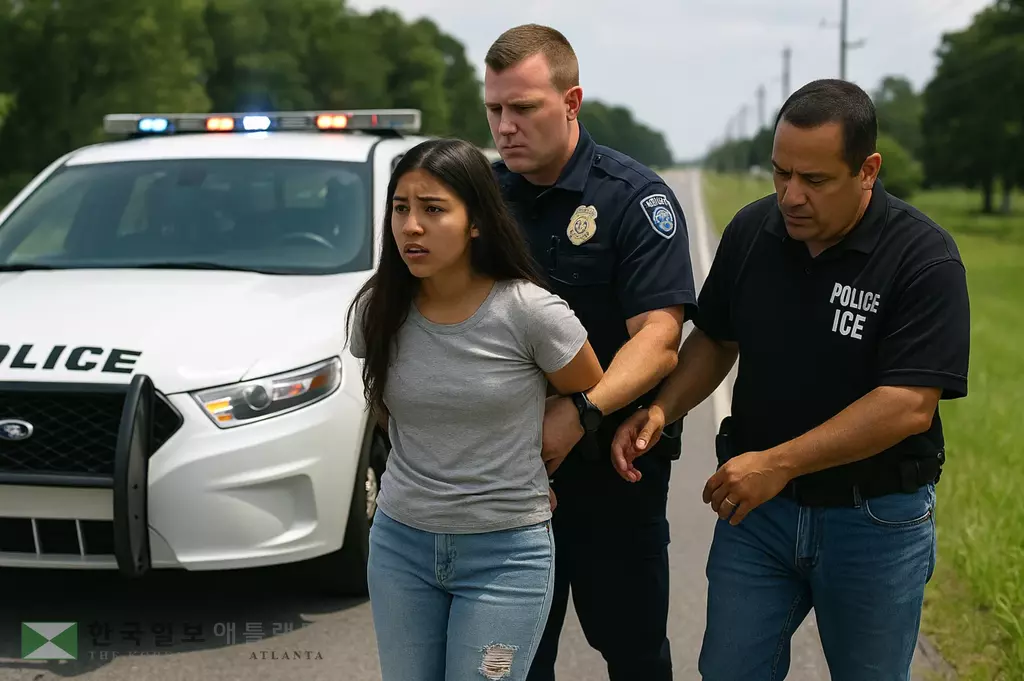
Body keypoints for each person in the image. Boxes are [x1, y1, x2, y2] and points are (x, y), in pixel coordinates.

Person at [612, 78, 971, 680]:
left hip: (874, 519)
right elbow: (718, 338)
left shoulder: (922, 258)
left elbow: (908, 404)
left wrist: (778, 463)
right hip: (759, 519)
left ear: (868, 169)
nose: (791, 195)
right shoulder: (754, 232)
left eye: (815, 179)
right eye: (781, 174)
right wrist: (663, 408)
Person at [483, 24, 699, 681]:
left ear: (571, 101)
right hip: (504, 478)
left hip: (613, 472)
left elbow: (659, 339)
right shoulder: (479, 201)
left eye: (524, 108)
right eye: (494, 109)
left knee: (633, 652)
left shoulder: (635, 198)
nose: (506, 126)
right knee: (508, 661)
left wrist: (580, 411)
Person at [346, 137, 605, 681]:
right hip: (400, 546)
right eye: (401, 208)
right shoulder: (378, 309)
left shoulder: (529, 312)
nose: (411, 226)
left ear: (476, 223)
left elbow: (586, 391)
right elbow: (387, 410)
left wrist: (527, 456)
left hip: (506, 556)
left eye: (433, 210)